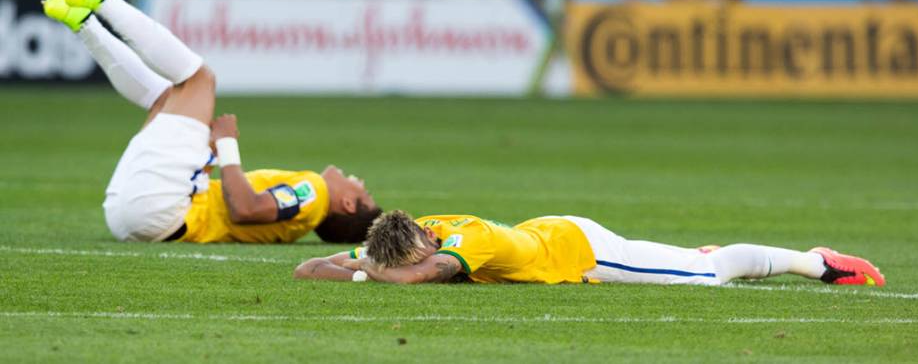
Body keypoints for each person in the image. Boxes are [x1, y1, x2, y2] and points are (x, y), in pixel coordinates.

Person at [42, 0, 382, 243]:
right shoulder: (303, 212)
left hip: (161, 211)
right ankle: (78, 17)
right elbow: (235, 211)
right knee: (166, 98)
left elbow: (245, 209)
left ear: (349, 204)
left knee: (199, 78)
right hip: (132, 215)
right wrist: (209, 159)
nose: (359, 181)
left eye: (362, 190)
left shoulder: (315, 193)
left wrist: (227, 144)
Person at [294, 211, 885, 287]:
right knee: (689, 264)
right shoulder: (412, 230)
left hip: (577, 250)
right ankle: (695, 252)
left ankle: (814, 262)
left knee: (707, 277)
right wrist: (357, 264)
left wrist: (365, 272)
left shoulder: (458, 244)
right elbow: (303, 268)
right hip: (554, 233)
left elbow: (420, 277)